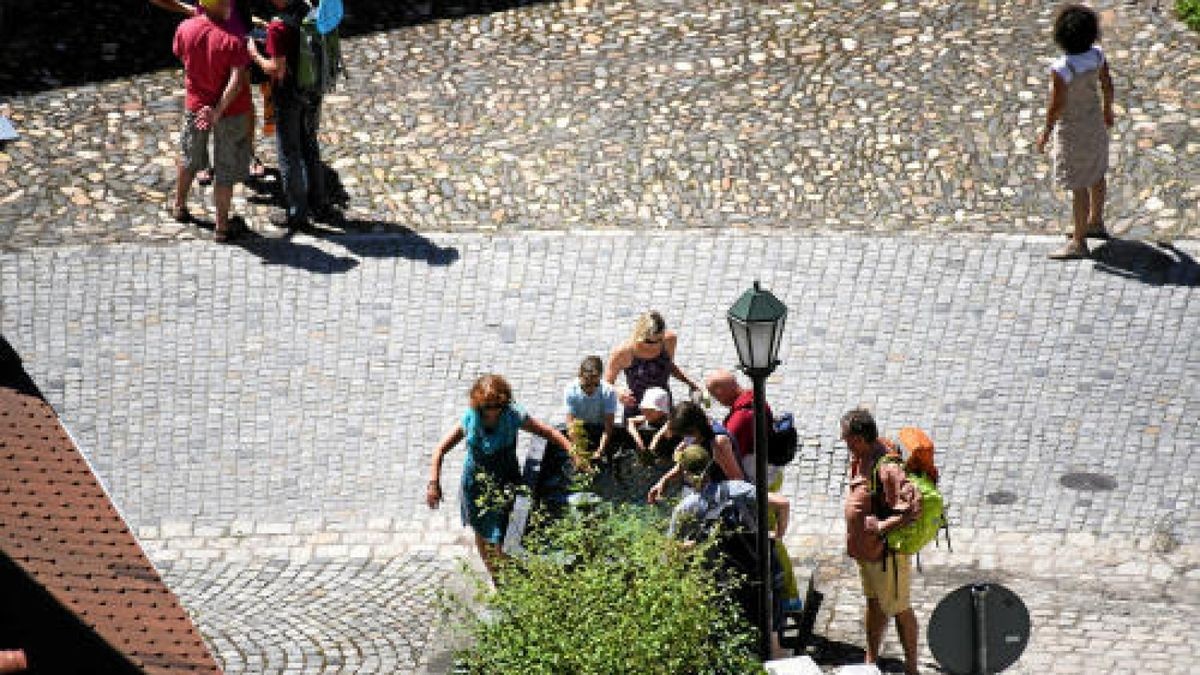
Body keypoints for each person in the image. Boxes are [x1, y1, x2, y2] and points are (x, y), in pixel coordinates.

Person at [426, 374, 573, 579]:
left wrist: (571, 450)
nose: (493, 411)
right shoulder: (470, 419)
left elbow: (546, 431)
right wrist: (434, 483)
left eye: (497, 406)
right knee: (482, 531)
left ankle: (506, 577)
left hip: (506, 482)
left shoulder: (513, 416)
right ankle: (496, 578)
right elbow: (440, 450)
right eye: (488, 406)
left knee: (502, 537)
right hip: (476, 486)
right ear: (479, 404)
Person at [668, 443, 790, 659]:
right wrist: (777, 534)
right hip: (760, 573)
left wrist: (694, 545)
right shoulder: (737, 489)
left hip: (722, 585)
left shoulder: (685, 508)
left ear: (686, 474)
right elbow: (782, 503)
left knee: (729, 641)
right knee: (771, 635)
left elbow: (670, 553)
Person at [705, 368, 802, 609]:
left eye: (714, 393)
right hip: (769, 474)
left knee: (771, 539)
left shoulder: (740, 418)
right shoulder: (753, 397)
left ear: (723, 389)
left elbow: (729, 453)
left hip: (759, 482)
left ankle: (789, 596)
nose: (715, 399)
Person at [841, 408, 920, 675]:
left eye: (847, 439)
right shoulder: (861, 456)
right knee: (874, 605)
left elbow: (911, 508)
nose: (845, 443)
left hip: (887, 557)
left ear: (860, 438)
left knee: (899, 610)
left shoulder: (886, 466)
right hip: (868, 555)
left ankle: (911, 668)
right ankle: (871, 660)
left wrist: (881, 525)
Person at [152, 0, 268, 182]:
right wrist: (190, 9)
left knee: (242, 98)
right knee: (203, 95)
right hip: (207, 31)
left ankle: (248, 152)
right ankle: (201, 161)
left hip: (238, 34)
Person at [1035, 3, 1115, 260]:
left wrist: (1046, 131)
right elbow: (1107, 83)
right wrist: (1108, 109)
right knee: (1097, 173)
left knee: (1078, 185)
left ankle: (1079, 242)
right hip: (1094, 124)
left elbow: (1056, 105)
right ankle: (1096, 221)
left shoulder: (1062, 68)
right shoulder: (1097, 56)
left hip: (1072, 131)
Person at [171, 0, 253, 242]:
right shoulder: (234, 39)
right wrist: (217, 110)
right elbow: (236, 82)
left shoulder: (185, 28)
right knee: (225, 170)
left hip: (196, 106)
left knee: (189, 158)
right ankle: (222, 227)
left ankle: (179, 206)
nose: (230, 3)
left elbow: (182, 56)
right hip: (231, 112)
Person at [248, 0, 330, 229]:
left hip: (289, 96)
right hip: (312, 89)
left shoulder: (278, 27)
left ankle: (297, 214)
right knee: (309, 145)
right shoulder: (306, 7)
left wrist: (255, 54)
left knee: (289, 153)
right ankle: (319, 203)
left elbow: (276, 69)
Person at [605, 311, 700, 422]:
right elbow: (607, 383)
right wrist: (618, 392)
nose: (655, 346)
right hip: (636, 409)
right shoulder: (625, 352)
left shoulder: (669, 340)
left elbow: (669, 366)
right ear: (639, 335)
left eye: (659, 340)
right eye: (648, 341)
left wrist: (689, 382)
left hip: (663, 406)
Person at [646, 401, 743, 504]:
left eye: (684, 434)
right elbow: (683, 465)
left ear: (693, 429)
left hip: (722, 498)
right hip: (705, 491)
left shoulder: (718, 442)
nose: (684, 439)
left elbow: (738, 482)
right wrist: (663, 481)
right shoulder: (694, 434)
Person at [563, 355, 618, 462]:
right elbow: (571, 425)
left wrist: (600, 450)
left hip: (600, 429)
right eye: (587, 385)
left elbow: (608, 426)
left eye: (596, 384)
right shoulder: (570, 391)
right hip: (581, 430)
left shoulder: (609, 392)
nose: (591, 389)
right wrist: (579, 451)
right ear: (579, 376)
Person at [624, 386, 671, 461]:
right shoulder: (645, 417)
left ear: (662, 411)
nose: (645, 413)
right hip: (649, 451)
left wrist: (655, 440)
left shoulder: (669, 422)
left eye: (649, 411)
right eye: (644, 410)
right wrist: (639, 443)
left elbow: (667, 426)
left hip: (664, 455)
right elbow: (629, 421)